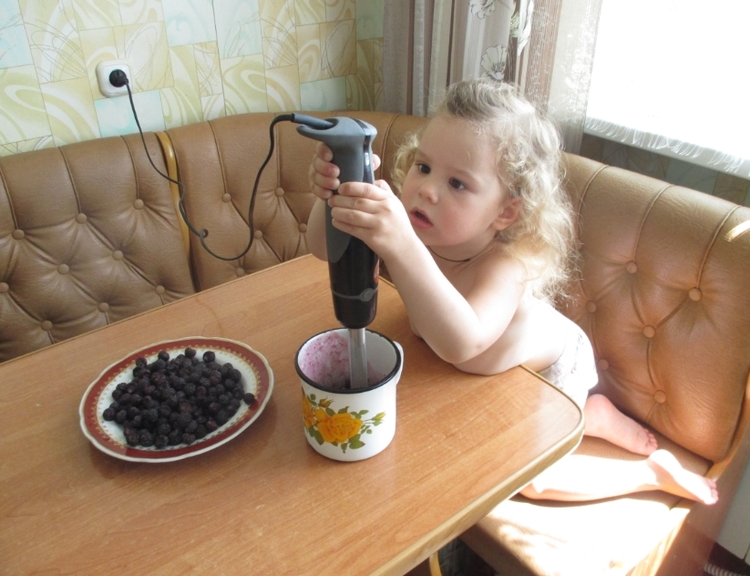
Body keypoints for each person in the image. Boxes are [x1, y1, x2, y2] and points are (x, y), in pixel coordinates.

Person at [306, 77, 717, 505]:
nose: (426, 189)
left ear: (505, 212)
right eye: (423, 167)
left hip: (551, 371)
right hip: (469, 370)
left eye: (457, 183)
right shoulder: (413, 227)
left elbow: (462, 343)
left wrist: (402, 244)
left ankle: (648, 472)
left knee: (531, 483)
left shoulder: (506, 265)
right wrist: (334, 194)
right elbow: (323, 248)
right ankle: (592, 417)